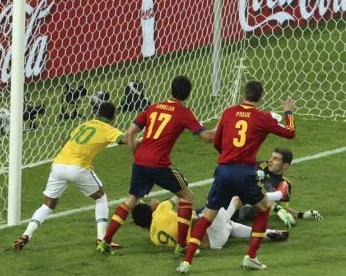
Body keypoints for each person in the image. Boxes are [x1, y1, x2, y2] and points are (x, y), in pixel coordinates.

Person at [177, 80, 296, 273]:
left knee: (208, 215)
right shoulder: (262, 117)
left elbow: (216, 142)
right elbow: (290, 133)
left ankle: (187, 262)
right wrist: (288, 112)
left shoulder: (228, 112)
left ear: (244, 94)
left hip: (223, 170)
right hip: (244, 173)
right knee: (264, 208)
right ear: (260, 97)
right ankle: (251, 257)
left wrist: (226, 153)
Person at [96, 75, 215, 255]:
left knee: (132, 199)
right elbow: (208, 137)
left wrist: (135, 154)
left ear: (171, 89)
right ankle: (182, 245)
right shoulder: (183, 112)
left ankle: (105, 241)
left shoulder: (154, 107)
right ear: (188, 94)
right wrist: (222, 120)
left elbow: (130, 133)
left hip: (141, 161)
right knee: (187, 196)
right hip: (159, 163)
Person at [13, 102, 128, 250]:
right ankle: (102, 239)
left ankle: (26, 235)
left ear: (97, 114)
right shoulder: (108, 129)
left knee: (47, 204)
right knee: (100, 197)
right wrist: (139, 141)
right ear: (114, 117)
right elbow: (122, 139)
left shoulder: (84, 125)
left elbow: (64, 143)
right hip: (78, 167)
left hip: (58, 165)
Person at [131, 196, 288, 250]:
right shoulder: (160, 211)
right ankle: (279, 194)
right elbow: (180, 195)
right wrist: (158, 203)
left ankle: (268, 233)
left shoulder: (153, 239)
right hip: (211, 230)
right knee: (235, 197)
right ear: (150, 211)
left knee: (230, 225)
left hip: (213, 244)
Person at [234, 148, 323, 227]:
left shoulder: (285, 184)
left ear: (284, 166)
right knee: (264, 185)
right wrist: (276, 208)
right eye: (271, 157)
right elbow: (253, 191)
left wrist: (302, 215)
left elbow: (283, 209)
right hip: (233, 204)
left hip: (244, 215)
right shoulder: (261, 166)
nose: (270, 160)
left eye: (275, 159)